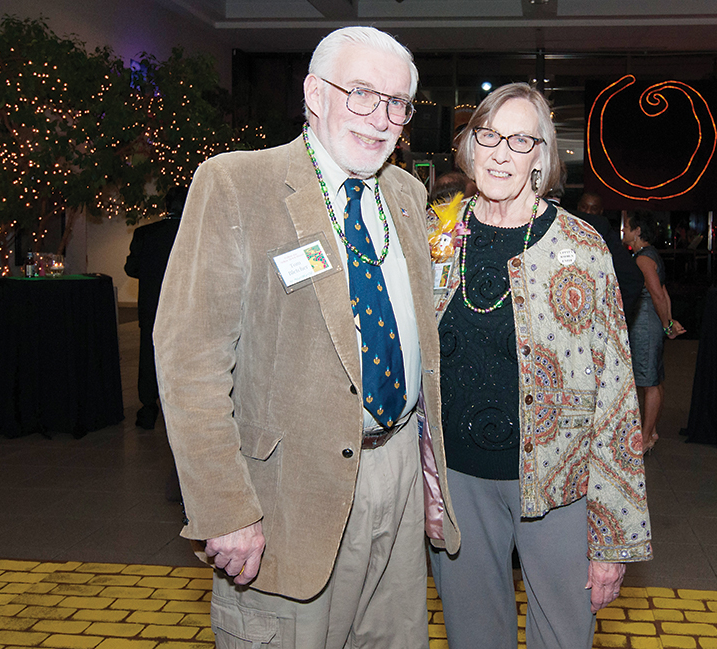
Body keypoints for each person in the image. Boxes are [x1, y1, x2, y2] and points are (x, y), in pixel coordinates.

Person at [153, 26, 459, 649]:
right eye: (363, 94)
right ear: (315, 94)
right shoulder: (237, 184)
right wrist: (225, 507)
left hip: (396, 474)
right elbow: (189, 361)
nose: (382, 119)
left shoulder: (406, 193)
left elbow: (414, 334)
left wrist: (429, 475)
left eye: (398, 103)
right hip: (287, 496)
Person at [428, 82, 652, 649]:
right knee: (474, 637)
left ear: (541, 155)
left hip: (559, 485)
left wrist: (611, 538)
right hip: (457, 484)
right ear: (470, 146)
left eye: (520, 139)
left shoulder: (584, 246)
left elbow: (618, 397)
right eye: (489, 135)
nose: (502, 152)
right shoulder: (434, 235)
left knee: (564, 636)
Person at [621, 211, 686, 452]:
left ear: (638, 231)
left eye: (627, 226)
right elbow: (664, 293)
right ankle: (652, 431)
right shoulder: (649, 255)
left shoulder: (642, 259)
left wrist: (667, 324)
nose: (624, 230)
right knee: (655, 380)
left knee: (648, 382)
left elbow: (658, 295)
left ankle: (646, 438)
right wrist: (668, 321)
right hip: (652, 321)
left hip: (645, 323)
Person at [124, 187, 186, 431]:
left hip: (152, 305)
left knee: (149, 357)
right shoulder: (195, 233)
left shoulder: (144, 233)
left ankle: (148, 407)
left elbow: (131, 269)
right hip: (186, 307)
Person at [572, 191, 645, 319]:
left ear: (600, 212)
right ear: (578, 208)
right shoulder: (564, 232)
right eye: (584, 207)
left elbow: (633, 279)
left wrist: (616, 316)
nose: (588, 212)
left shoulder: (604, 236)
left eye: (593, 209)